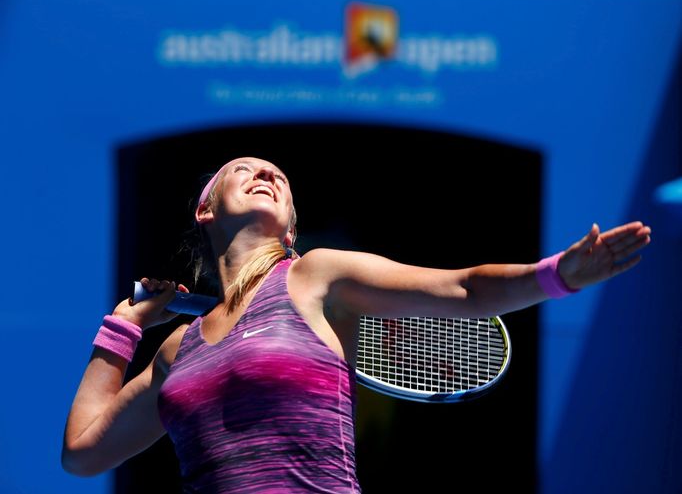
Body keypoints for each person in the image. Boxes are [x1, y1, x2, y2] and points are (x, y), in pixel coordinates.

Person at [61, 156, 651, 493]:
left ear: (290, 227)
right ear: (206, 208)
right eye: (245, 170)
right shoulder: (176, 349)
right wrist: (123, 328)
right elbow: (84, 452)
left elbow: (464, 287)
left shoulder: (316, 276)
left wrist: (558, 274)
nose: (267, 174)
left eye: (279, 179)